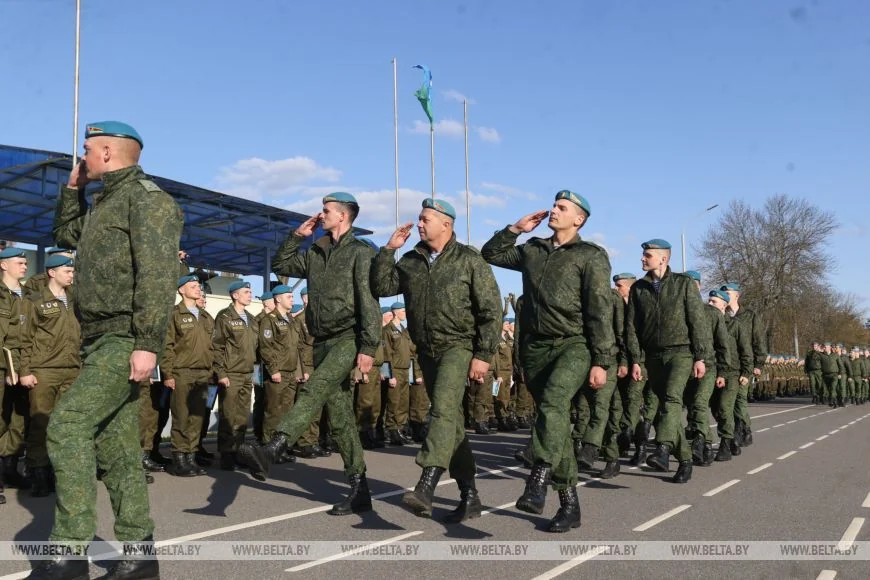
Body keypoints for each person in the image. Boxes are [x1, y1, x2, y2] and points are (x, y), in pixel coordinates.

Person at [29, 121, 182, 579]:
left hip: (124, 336)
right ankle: (139, 555)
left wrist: (148, 344)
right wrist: (72, 190)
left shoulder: (148, 199)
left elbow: (158, 275)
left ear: (109, 153)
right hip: (96, 339)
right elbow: (65, 235)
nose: (82, 157)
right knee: (116, 449)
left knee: (67, 425)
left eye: (87, 150)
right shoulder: (104, 202)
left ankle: (69, 552)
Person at [240, 192, 380, 517]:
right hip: (321, 340)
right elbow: (281, 265)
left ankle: (274, 448)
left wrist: (369, 346)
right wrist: (296, 236)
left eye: (327, 210)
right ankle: (359, 488)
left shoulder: (360, 252)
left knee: (315, 388)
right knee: (341, 419)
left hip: (348, 337)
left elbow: (368, 299)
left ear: (343, 216)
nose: (321, 214)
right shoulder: (316, 251)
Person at [482, 190, 614, 532]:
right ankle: (570, 505)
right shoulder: (533, 250)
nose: (554, 210)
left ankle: (538, 476)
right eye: (554, 205)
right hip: (536, 348)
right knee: (554, 423)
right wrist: (515, 229)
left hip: (574, 344)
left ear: (578, 219)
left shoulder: (590, 256)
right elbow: (490, 253)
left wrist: (601, 359)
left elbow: (600, 310)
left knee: (554, 403)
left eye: (562, 207)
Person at [373, 198, 501, 523]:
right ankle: (470, 495)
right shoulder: (412, 260)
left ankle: (426, 486)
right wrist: (388, 250)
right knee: (452, 424)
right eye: (418, 218)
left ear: (446, 224)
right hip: (426, 351)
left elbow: (491, 310)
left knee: (441, 411)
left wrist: (484, 355)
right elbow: (381, 286)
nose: (418, 224)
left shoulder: (469, 259)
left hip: (458, 346)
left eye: (425, 219)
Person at [625, 239, 709, 484]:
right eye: (643, 254)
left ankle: (662, 447)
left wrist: (700, 356)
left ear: (663, 258)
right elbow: (632, 327)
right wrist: (636, 359)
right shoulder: (638, 288)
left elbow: (697, 321)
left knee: (672, 399)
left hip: (681, 353)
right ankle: (685, 460)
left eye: (648, 255)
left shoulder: (683, 284)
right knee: (666, 408)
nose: (643, 258)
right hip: (652, 356)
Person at [18, 254, 80, 497]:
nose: (72, 275)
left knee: (66, 425)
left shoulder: (75, 301)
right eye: (67, 271)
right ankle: (38, 472)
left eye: (72, 271)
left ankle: (58, 471)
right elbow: (25, 339)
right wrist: (25, 371)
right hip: (44, 370)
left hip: (72, 369)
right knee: (41, 423)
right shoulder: (35, 301)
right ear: (52, 272)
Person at [162, 275, 214, 477]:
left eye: (198, 286)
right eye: (193, 286)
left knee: (196, 418)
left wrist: (211, 371)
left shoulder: (206, 316)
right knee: (181, 417)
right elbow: (167, 347)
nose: (198, 289)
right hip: (182, 372)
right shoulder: (174, 314)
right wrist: (168, 373)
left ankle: (191, 457)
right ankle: (179, 459)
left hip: (203, 373)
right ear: (181, 290)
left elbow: (212, 347)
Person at [213, 280, 258, 470]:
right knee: (228, 415)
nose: (250, 295)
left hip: (247, 374)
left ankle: (238, 452)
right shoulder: (225, 316)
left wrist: (255, 375)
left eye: (250, 292)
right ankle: (226, 454)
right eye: (246, 292)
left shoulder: (251, 319)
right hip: (231, 373)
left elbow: (255, 349)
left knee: (242, 417)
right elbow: (217, 347)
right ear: (235, 295)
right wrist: (221, 373)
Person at [0, 247, 31, 501]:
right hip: (3, 366)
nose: (24, 266)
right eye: (19, 263)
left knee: (18, 421)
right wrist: (9, 368)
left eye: (25, 262)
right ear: (3, 265)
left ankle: (9, 470)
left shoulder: (28, 295)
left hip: (23, 366)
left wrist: (24, 368)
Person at [720, 282, 767, 443]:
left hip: (745, 363)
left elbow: (758, 340)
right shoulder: (721, 315)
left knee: (739, 398)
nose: (725, 296)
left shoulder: (749, 315)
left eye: (728, 293)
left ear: (737, 295)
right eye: (723, 293)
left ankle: (741, 429)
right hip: (727, 364)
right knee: (728, 401)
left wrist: (759, 364)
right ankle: (742, 428)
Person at [257, 285, 299, 465]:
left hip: (290, 372)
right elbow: (266, 347)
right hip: (278, 373)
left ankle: (281, 447)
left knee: (287, 412)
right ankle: (269, 447)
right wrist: (274, 370)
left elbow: (295, 348)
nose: (292, 299)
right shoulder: (270, 320)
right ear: (278, 299)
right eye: (289, 297)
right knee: (273, 411)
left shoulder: (291, 320)